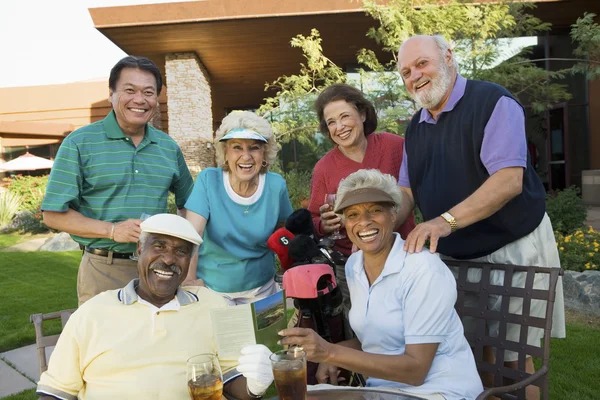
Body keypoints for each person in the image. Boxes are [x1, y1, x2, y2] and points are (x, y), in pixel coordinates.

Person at [396, 34, 566, 398]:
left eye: (421, 63)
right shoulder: (416, 126)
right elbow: (407, 194)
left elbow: (508, 181)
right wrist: (374, 223)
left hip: (513, 245)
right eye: (406, 71)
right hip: (456, 255)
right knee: (469, 350)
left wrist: (443, 222)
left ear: (448, 57)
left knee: (515, 357)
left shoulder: (492, 101)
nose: (414, 76)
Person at [280, 170, 483, 400]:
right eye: (353, 214)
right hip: (384, 390)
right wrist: (326, 353)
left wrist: (331, 353)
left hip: (440, 391)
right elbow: (377, 339)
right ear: (344, 223)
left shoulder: (423, 270)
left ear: (394, 214)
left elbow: (416, 371)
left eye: (375, 210)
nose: (364, 222)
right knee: (299, 396)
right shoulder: (354, 266)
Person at [36, 213, 274, 400]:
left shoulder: (214, 304)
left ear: (190, 260)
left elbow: (235, 385)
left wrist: (256, 385)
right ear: (139, 250)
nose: (169, 259)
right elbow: (55, 392)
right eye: (159, 246)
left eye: (181, 251)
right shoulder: (92, 312)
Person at [41, 56, 193, 306]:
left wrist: (182, 254)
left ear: (157, 99)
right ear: (112, 94)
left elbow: (189, 205)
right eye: (129, 90)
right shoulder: (80, 143)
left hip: (160, 270)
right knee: (104, 344)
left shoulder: (168, 147)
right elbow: (53, 215)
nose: (140, 100)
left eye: (148, 92)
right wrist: (112, 230)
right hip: (103, 268)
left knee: (160, 341)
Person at [184, 111, 293, 305]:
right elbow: (192, 235)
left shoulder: (276, 185)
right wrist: (190, 282)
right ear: (225, 152)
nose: (246, 156)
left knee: (266, 336)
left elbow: (285, 233)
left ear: (265, 153)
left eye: (254, 148)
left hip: (262, 290)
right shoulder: (209, 180)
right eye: (237, 147)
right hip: (213, 291)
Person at [309, 84, 415, 258]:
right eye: (331, 122)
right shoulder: (323, 168)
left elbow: (415, 191)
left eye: (345, 116)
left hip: (403, 252)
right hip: (353, 260)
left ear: (363, 114)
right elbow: (313, 219)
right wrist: (323, 225)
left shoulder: (394, 146)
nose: (340, 127)